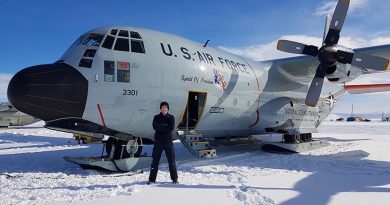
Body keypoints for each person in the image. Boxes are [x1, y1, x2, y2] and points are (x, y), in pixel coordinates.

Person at [148, 101, 178, 184]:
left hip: (168, 142)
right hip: (158, 142)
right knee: (155, 161)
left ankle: (174, 179)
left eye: (166, 107)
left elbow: (171, 128)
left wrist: (160, 126)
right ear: (160, 109)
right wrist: (165, 126)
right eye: (163, 108)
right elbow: (155, 127)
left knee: (171, 161)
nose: (164, 109)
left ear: (168, 109)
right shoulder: (156, 117)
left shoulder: (171, 118)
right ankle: (151, 179)